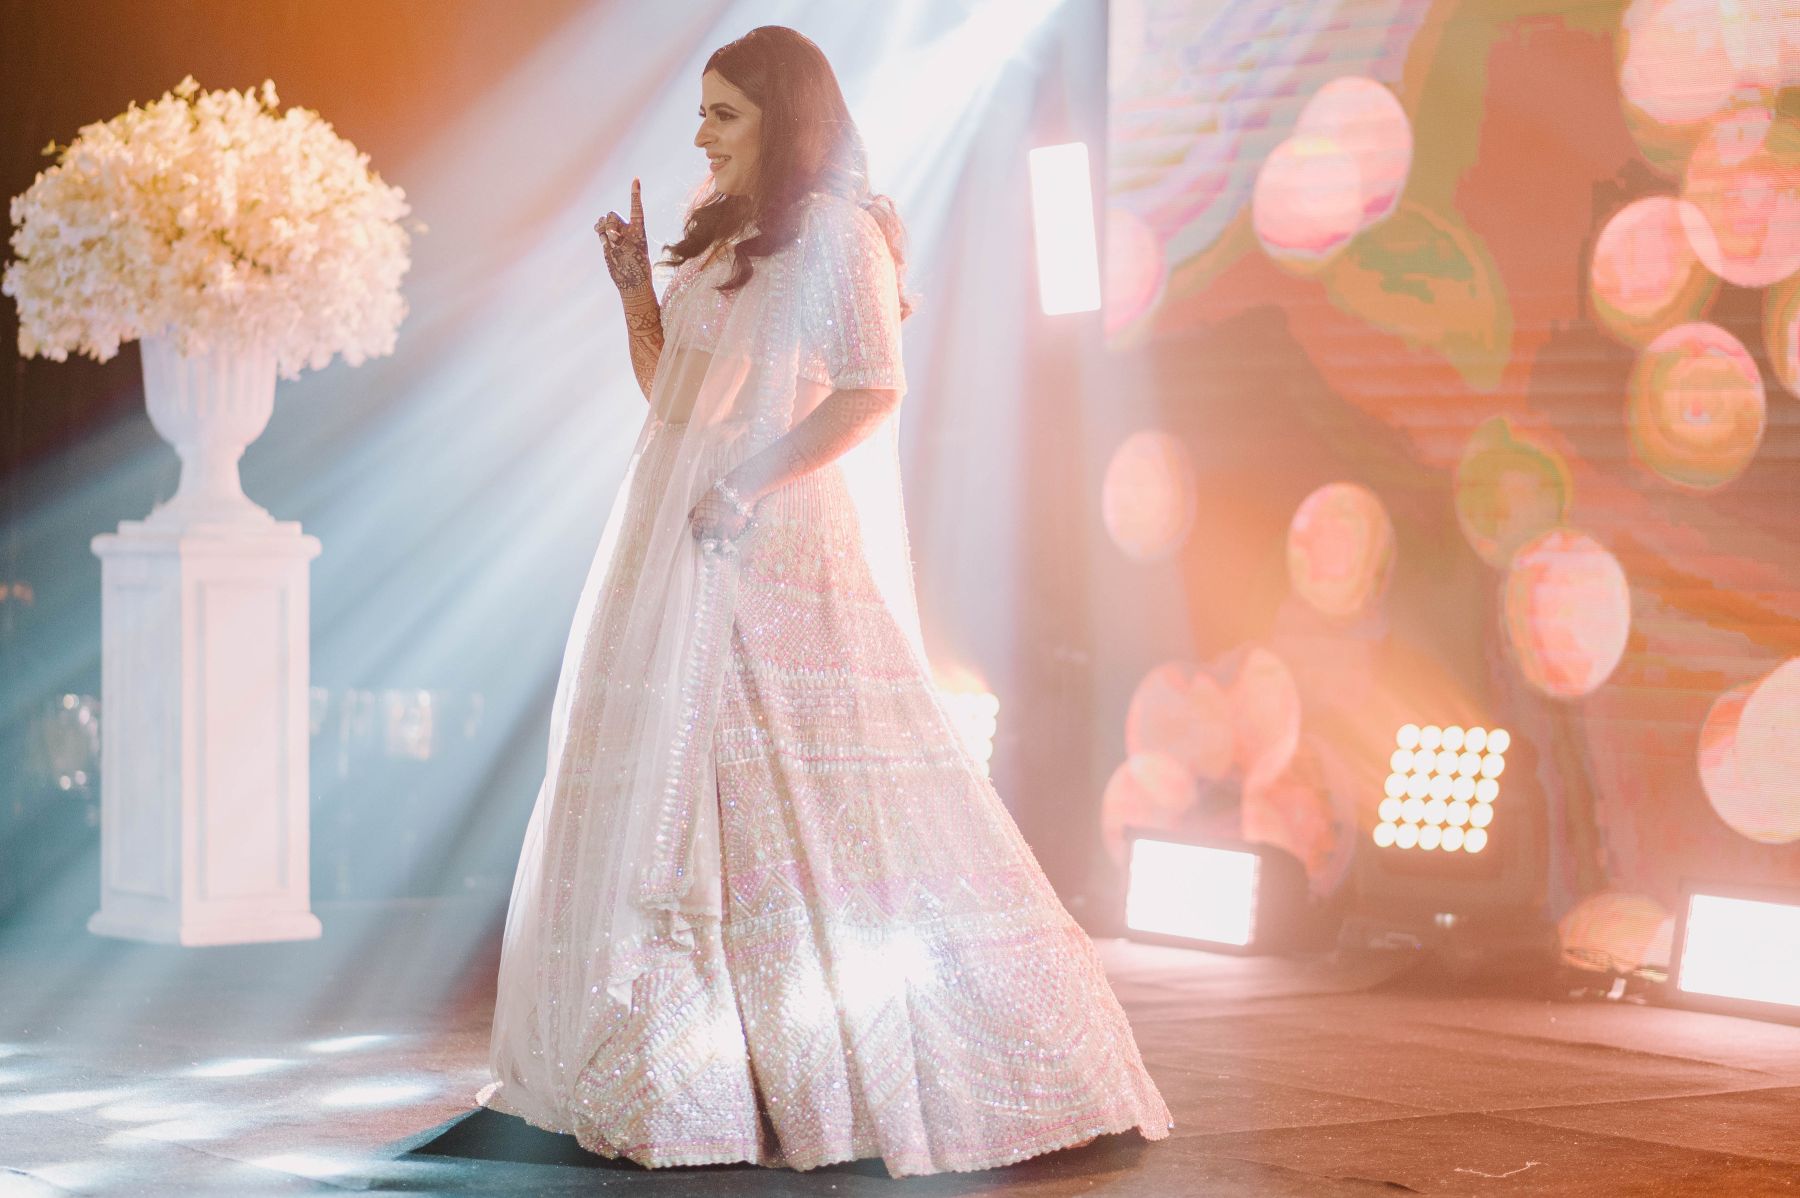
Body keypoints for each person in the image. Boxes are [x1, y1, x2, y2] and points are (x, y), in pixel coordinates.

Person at [477, 25, 1171, 1178]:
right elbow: (673, 397)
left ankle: (904, 1059)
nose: (700, 135)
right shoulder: (720, 241)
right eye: (701, 112)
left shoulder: (842, 234)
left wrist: (748, 484)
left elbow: (871, 389)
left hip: (779, 541)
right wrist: (634, 291)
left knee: (816, 799)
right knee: (687, 789)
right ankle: (695, 1074)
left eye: (724, 114)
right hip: (687, 528)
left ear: (785, 118)